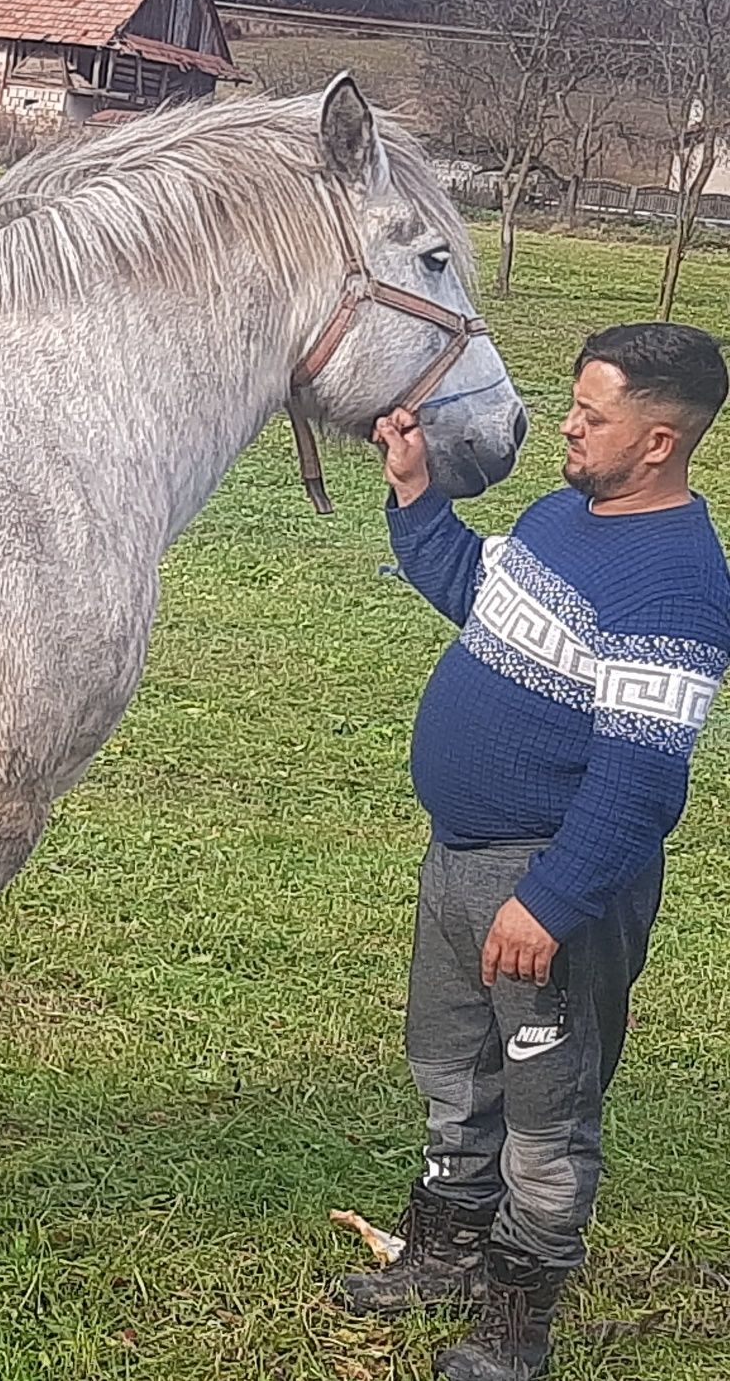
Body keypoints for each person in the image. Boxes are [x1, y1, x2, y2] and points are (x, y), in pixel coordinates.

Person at [340, 323, 730, 1381]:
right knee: (452, 1067)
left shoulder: (675, 584)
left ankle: (516, 1326)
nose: (564, 425)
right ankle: (442, 1255)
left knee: (545, 1110)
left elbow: (640, 778)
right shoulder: (565, 515)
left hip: (544, 884)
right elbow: (474, 589)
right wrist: (416, 493)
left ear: (655, 442)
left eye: (589, 415)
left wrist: (550, 901)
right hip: (462, 861)